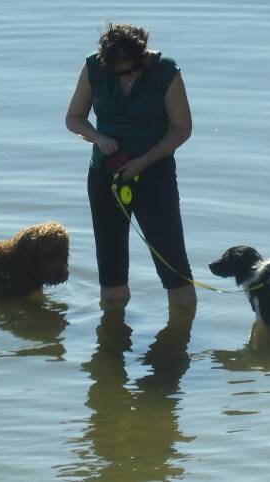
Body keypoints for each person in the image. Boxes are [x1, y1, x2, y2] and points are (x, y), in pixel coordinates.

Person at [65, 23, 197, 310]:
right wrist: (98, 138)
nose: (124, 75)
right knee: (111, 272)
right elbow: (74, 118)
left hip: (155, 175)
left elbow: (182, 129)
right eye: (117, 70)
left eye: (129, 69)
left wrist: (143, 161)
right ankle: (112, 342)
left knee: (174, 267)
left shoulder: (165, 71)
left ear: (144, 57)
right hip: (105, 177)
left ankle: (179, 342)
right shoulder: (95, 67)